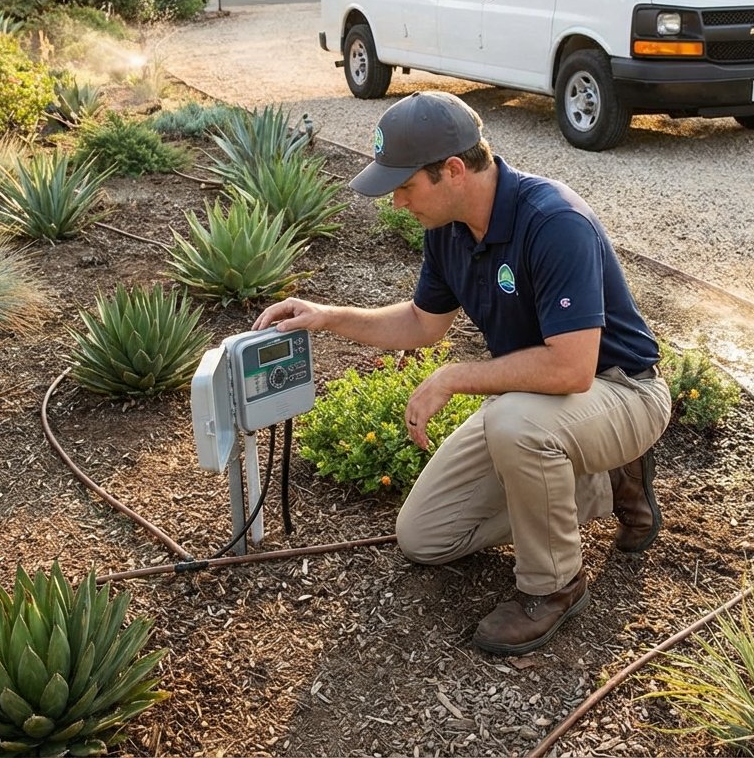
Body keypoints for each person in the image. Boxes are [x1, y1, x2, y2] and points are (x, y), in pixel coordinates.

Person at [252, 91, 671, 656]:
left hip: (621, 389)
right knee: (425, 536)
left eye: (405, 185)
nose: (397, 201)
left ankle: (553, 587)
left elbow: (573, 368)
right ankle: (601, 480)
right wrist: (327, 317)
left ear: (452, 170)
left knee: (516, 426)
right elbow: (422, 323)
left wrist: (453, 377)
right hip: (535, 401)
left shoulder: (553, 222)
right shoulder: (448, 228)